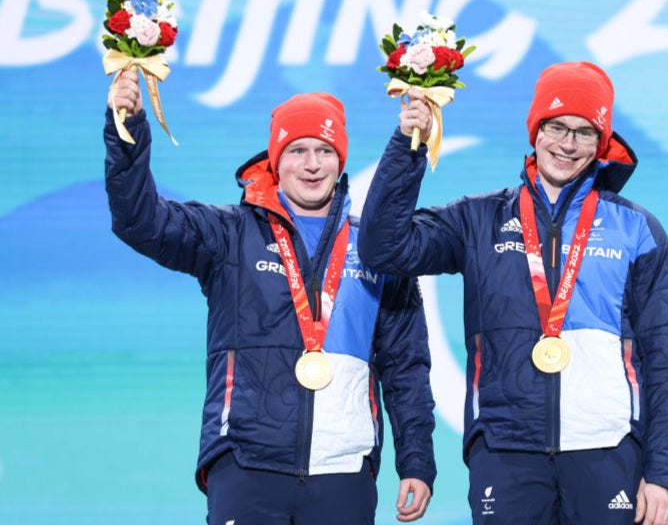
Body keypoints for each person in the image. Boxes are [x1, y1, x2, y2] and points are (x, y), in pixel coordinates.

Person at [358, 61, 668, 525]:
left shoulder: (637, 229)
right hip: (506, 451)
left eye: (584, 132)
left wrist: (662, 473)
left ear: (602, 144)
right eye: (556, 126)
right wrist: (408, 149)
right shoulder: (479, 220)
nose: (568, 144)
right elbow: (383, 248)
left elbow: (667, 361)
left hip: (608, 450)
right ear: (535, 130)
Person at [104, 69, 436, 525]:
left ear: (340, 161)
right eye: (297, 151)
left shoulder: (377, 249)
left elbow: (405, 366)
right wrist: (128, 131)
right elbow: (139, 222)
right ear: (276, 161)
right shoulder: (229, 235)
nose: (312, 164)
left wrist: (416, 460)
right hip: (246, 463)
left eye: (324, 151)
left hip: (343, 469)